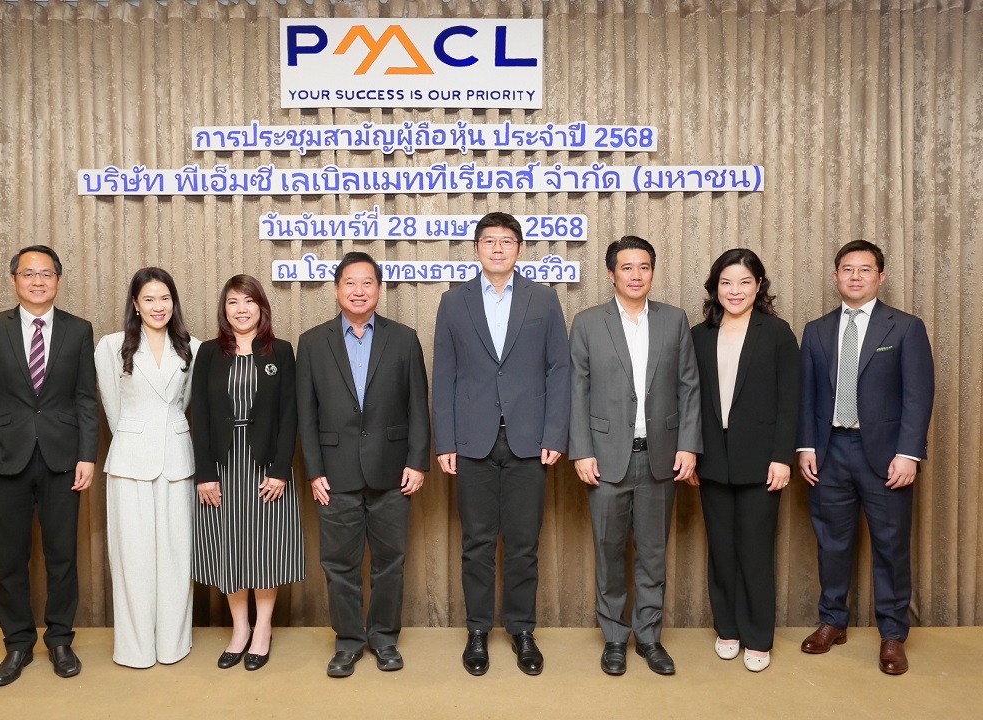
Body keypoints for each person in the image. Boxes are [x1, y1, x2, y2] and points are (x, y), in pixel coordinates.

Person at [433, 211, 570, 677]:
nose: (497, 248)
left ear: (519, 249)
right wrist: (445, 441)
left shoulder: (543, 299)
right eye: (489, 240)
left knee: (523, 543)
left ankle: (522, 630)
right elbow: (445, 375)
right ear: (476, 249)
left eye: (506, 241)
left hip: (529, 441)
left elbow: (559, 369)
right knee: (476, 543)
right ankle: (477, 631)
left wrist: (554, 433)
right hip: (472, 441)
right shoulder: (454, 302)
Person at [0, 245, 98, 686]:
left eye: (46, 274)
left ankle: (60, 640)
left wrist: (87, 455)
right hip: (3, 460)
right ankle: (18, 644)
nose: (38, 281)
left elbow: (85, 398)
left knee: (62, 557)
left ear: (58, 280)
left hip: (63, 459)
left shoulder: (78, 329)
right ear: (14, 280)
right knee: (10, 558)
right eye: (28, 274)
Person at [797, 240, 934, 675]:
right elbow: (806, 395)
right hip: (830, 451)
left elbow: (918, 395)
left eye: (865, 269)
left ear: (881, 276)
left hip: (886, 455)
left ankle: (892, 634)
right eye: (847, 269)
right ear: (835, 276)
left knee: (891, 546)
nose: (855, 276)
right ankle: (833, 622)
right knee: (831, 543)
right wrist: (805, 447)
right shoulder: (816, 330)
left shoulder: (906, 327)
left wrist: (908, 453)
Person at [568, 235, 701, 677]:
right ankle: (614, 638)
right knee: (609, 552)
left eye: (644, 267)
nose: (636, 275)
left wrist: (688, 445)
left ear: (652, 272)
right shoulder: (588, 323)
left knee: (653, 554)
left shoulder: (674, 320)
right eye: (627, 267)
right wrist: (581, 451)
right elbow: (577, 390)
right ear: (611, 274)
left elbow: (689, 386)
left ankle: (648, 637)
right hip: (605, 459)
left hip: (660, 456)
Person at [297, 252, 430, 678]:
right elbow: (305, 414)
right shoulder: (312, 342)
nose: (359, 291)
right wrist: (314, 470)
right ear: (337, 289)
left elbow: (418, 406)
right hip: (334, 474)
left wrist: (417, 462)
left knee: (391, 561)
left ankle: (385, 639)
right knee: (339, 565)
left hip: (392, 472)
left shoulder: (404, 338)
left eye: (367, 283)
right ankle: (349, 642)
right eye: (350, 283)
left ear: (379, 289)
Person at [690, 249, 799, 672]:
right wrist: (692, 454)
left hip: (762, 461)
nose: (734, 291)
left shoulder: (777, 332)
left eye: (744, 282)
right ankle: (728, 628)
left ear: (759, 286)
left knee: (755, 551)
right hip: (712, 460)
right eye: (726, 283)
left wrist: (782, 457)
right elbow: (689, 400)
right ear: (715, 288)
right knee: (721, 549)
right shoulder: (699, 335)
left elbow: (790, 400)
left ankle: (757, 636)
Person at [191, 274, 304, 671]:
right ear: (224, 310)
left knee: (264, 548)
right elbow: (199, 414)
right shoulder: (209, 353)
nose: (241, 309)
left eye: (249, 301)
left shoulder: (281, 351)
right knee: (231, 547)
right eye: (233, 302)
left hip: (266, 467)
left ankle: (263, 630)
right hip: (222, 466)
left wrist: (281, 470)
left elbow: (290, 414)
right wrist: (204, 473)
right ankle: (240, 629)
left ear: (261, 307)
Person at [94, 267, 201, 668]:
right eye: (149, 299)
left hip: (177, 459)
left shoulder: (193, 347)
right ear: (135, 304)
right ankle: (135, 648)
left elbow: (185, 403)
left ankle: (173, 644)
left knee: (176, 556)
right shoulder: (110, 346)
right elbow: (112, 407)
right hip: (129, 461)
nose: (159, 306)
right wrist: (136, 436)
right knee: (132, 558)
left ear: (174, 303)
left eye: (165, 298)